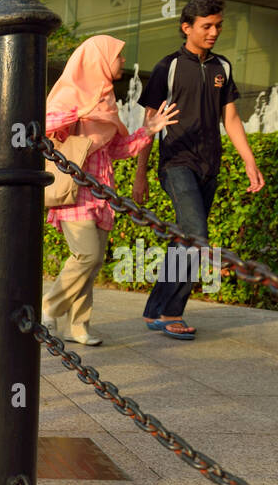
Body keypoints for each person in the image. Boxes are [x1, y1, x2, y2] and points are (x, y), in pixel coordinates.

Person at [135, 0, 265, 340]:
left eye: (218, 26)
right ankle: (172, 311)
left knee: (183, 240)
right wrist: (140, 172)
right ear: (187, 27)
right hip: (176, 161)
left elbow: (232, 118)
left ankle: (155, 310)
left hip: (210, 164)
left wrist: (249, 161)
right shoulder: (168, 66)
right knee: (196, 233)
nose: (214, 32)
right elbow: (149, 121)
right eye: (206, 26)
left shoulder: (223, 67)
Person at [44, 35, 179, 346]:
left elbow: (116, 148)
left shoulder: (106, 101)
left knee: (93, 264)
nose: (122, 62)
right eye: (118, 57)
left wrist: (149, 130)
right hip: (74, 192)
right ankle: (49, 307)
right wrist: (82, 110)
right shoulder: (71, 95)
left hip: (101, 194)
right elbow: (49, 129)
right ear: (98, 61)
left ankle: (77, 326)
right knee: (86, 256)